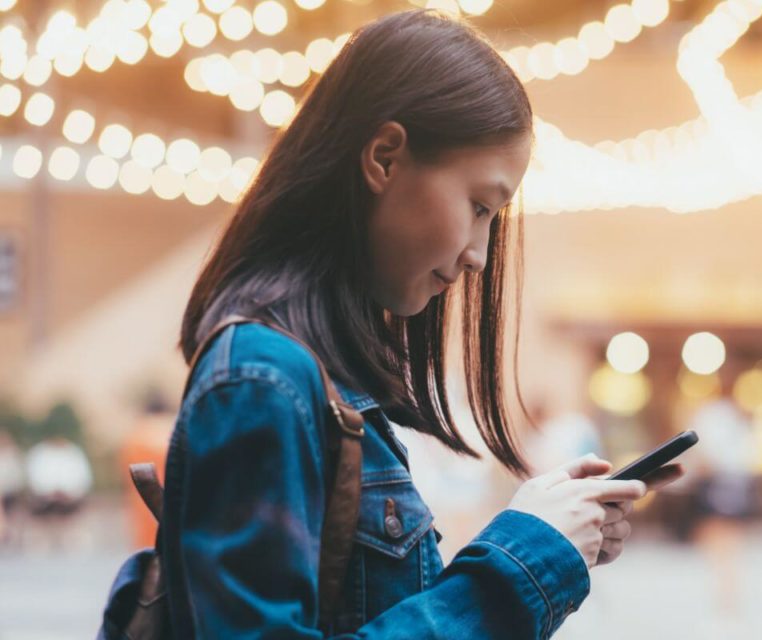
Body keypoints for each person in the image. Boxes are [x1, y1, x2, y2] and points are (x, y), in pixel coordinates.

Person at [163, 10, 684, 638]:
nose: (480, 254)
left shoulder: (314, 381)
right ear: (384, 158)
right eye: (479, 206)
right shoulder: (262, 380)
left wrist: (543, 534)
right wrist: (523, 563)